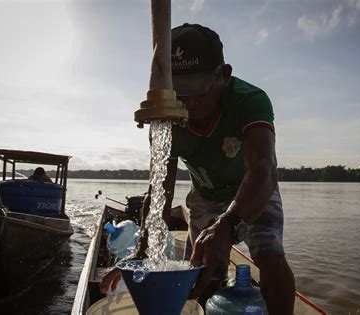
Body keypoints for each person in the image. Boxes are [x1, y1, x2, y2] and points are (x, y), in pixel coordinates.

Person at [100, 23, 296, 314]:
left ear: (224, 75)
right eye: (180, 92)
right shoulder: (166, 114)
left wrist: (228, 227)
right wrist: (142, 247)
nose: (189, 103)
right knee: (201, 269)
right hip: (205, 195)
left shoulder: (249, 101)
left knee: (269, 254)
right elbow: (160, 187)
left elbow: (263, 168)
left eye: (198, 90)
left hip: (253, 187)